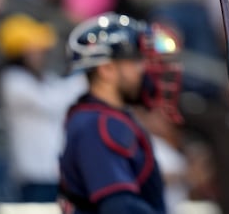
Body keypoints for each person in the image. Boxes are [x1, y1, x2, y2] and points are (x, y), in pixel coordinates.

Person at [58, 12, 183, 214]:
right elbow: (119, 206)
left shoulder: (103, 118)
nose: (142, 69)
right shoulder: (97, 124)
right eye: (135, 61)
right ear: (106, 69)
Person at [0, 13, 87, 202]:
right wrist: (83, 77)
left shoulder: (44, 79)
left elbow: (62, 92)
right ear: (20, 51)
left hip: (57, 173)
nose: (41, 54)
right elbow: (53, 102)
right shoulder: (12, 81)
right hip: (34, 175)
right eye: (34, 49)